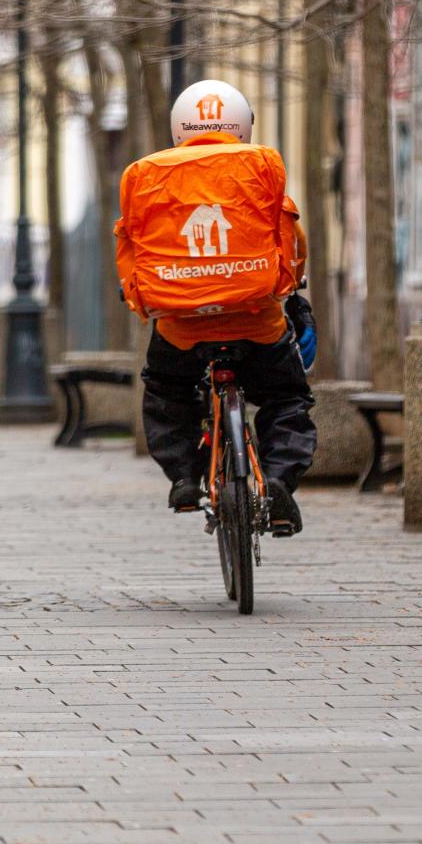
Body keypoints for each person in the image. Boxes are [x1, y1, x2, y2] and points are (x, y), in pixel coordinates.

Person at [115, 80, 318, 536]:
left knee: (168, 393)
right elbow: (290, 237)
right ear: (242, 125)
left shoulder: (145, 173)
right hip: (257, 320)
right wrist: (292, 281)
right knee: (286, 399)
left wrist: (137, 294)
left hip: (181, 325)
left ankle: (186, 478)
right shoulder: (261, 164)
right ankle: (280, 481)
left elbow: (131, 244)